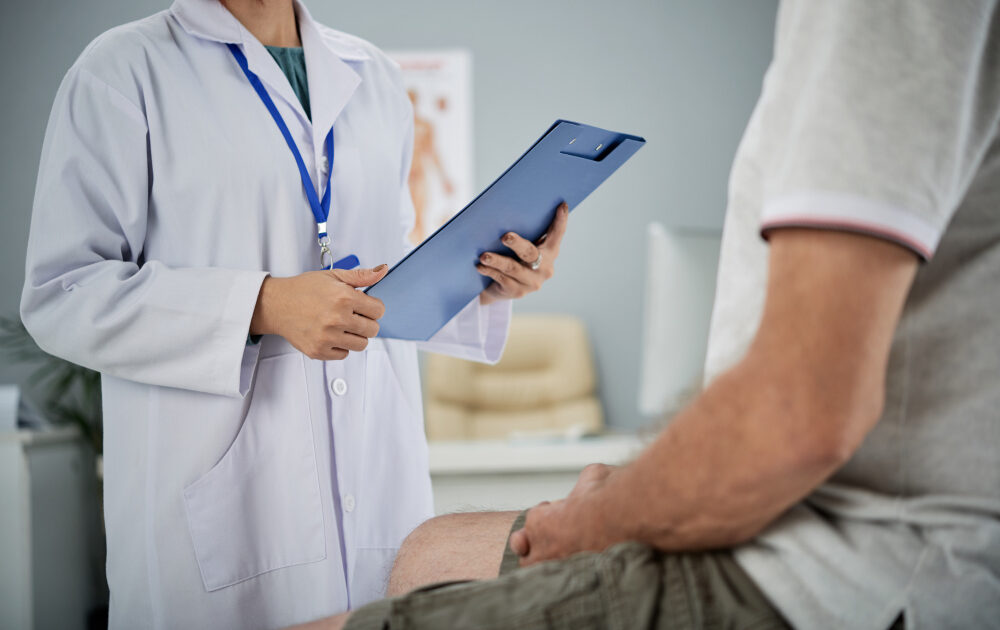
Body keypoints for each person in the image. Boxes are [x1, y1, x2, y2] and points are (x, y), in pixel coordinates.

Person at [296, 2, 1000, 629]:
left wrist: (597, 517)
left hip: (836, 563)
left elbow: (797, 415)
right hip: (851, 525)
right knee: (429, 550)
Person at [19, 0, 567, 627]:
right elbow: (64, 291)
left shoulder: (374, 75)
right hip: (214, 491)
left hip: (374, 470)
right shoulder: (123, 68)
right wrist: (262, 303)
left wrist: (487, 284)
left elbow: (385, 279)